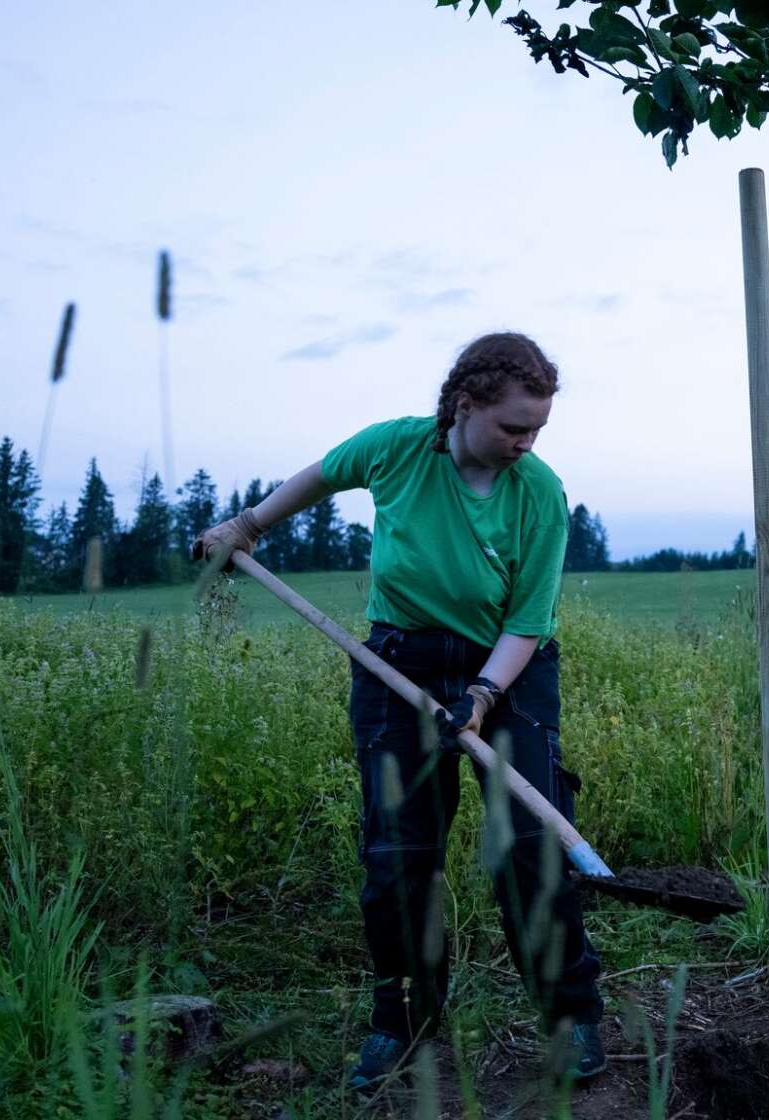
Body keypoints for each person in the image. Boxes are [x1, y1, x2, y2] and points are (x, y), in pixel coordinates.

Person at [194, 332, 605, 1092]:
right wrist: (248, 527)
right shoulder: (395, 450)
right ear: (464, 404)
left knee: (527, 841)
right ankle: (404, 1023)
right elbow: (319, 477)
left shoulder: (539, 493)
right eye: (514, 426)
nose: (526, 443)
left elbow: (528, 619)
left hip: (510, 671)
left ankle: (571, 1015)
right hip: (397, 664)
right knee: (398, 857)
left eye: (538, 430)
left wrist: (481, 697)